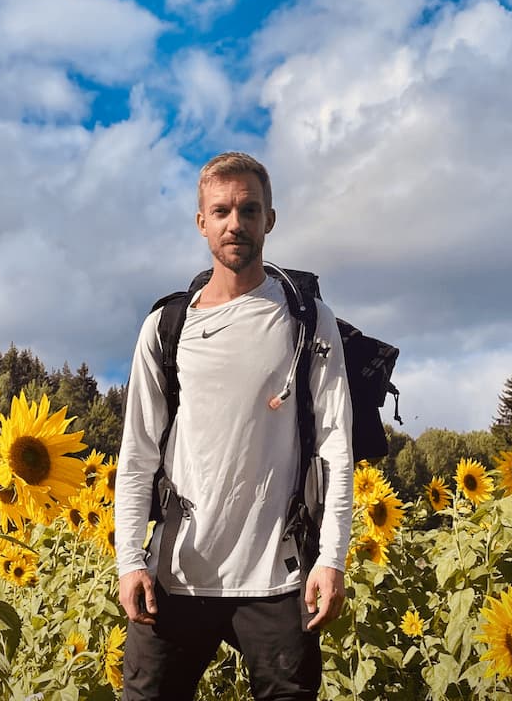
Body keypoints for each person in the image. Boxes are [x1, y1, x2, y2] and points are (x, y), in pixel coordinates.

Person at [115, 151, 353, 701]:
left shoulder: (307, 318)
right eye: (220, 211)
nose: (235, 223)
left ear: (270, 219)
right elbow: (138, 454)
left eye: (249, 210)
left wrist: (332, 557)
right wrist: (130, 559)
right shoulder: (165, 327)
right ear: (201, 222)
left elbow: (336, 446)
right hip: (174, 577)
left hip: (278, 579)